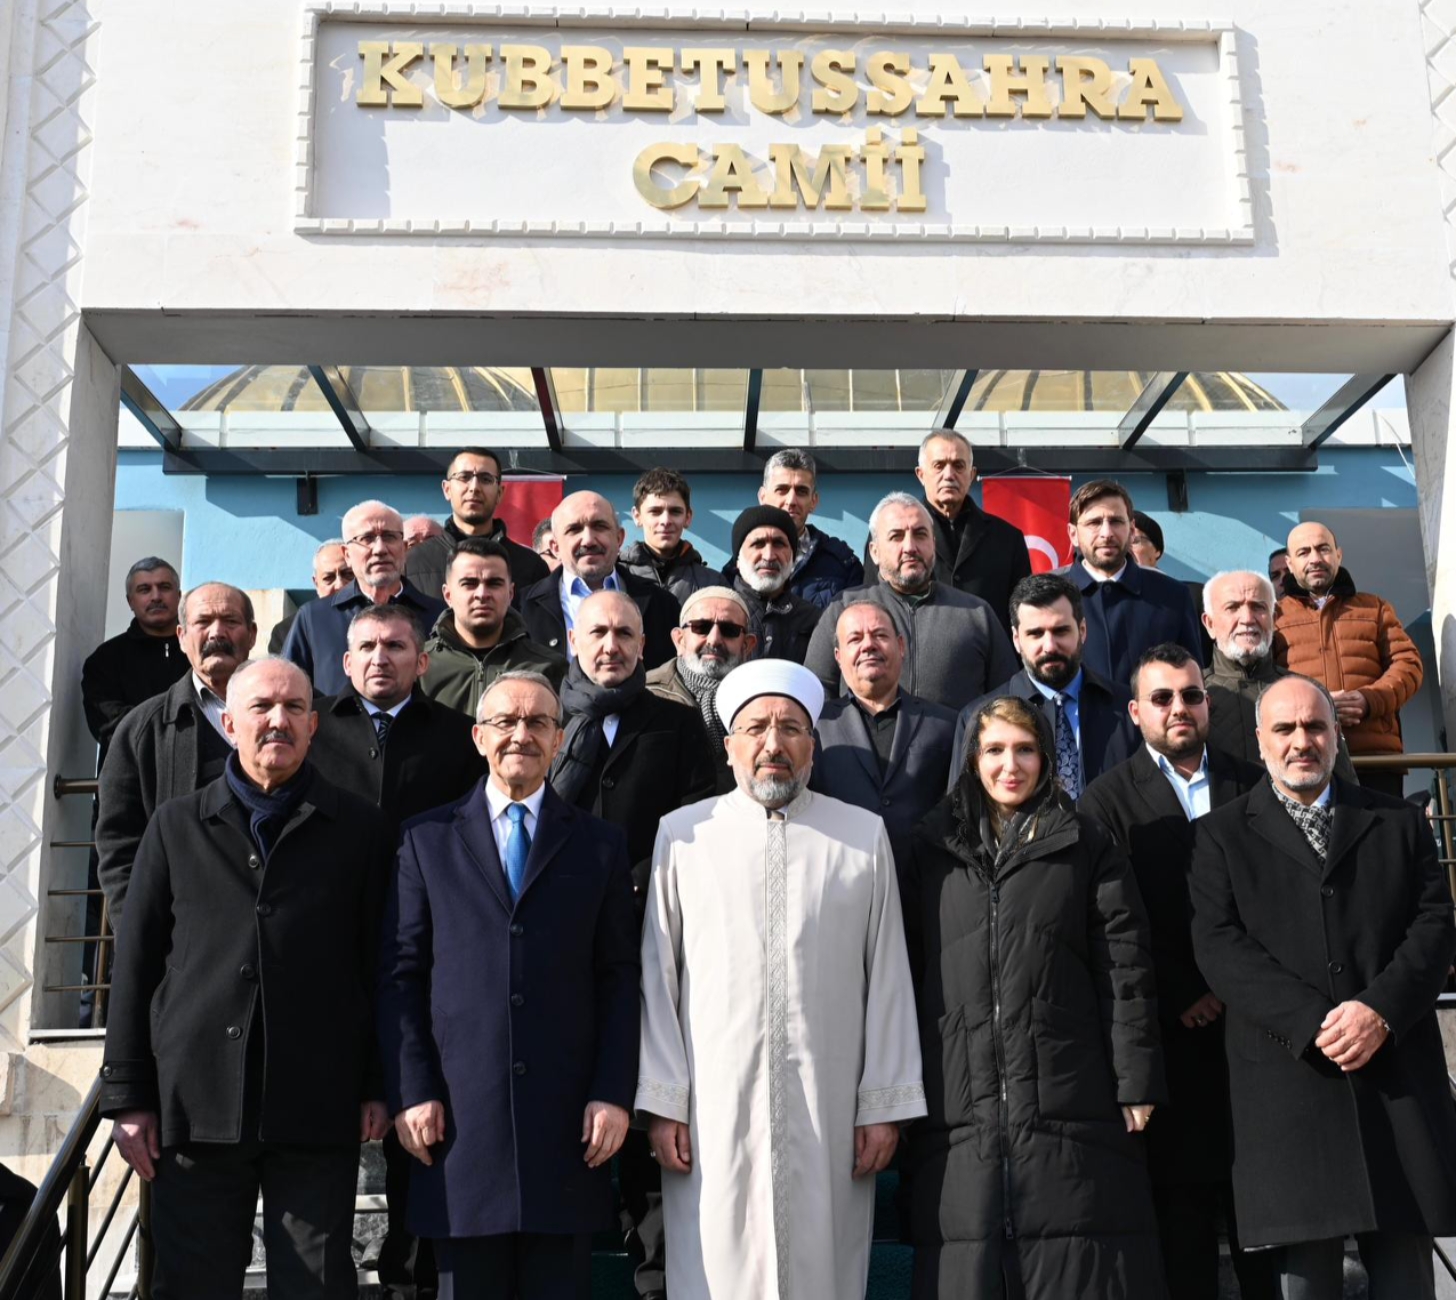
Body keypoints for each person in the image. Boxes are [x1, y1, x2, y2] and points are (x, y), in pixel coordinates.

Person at [100, 657, 392, 1300]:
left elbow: (379, 965)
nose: (277, 721)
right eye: (261, 708)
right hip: (195, 1102)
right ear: (230, 723)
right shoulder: (174, 826)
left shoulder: (361, 830)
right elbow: (138, 964)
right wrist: (128, 1097)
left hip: (317, 1100)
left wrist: (376, 1081)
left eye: (293, 708)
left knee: (317, 1286)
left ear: (315, 726)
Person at [637, 658, 925, 1300]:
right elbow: (658, 975)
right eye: (757, 729)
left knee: (824, 1266)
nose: (774, 744)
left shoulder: (861, 835)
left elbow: (888, 977)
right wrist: (664, 1101)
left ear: (813, 747)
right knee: (716, 1260)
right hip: (713, 1106)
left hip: (829, 1103)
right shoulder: (683, 836)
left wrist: (883, 1105)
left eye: (792, 728)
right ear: (732, 745)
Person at [1190, 675, 1456, 1299]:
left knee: (1406, 1282)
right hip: (1290, 1094)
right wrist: (1315, 1022)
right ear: (1260, 743)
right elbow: (1219, 946)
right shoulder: (1219, 836)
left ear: (1337, 735)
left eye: (1315, 726)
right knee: (1303, 1287)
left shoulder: (1400, 822)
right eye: (1284, 729)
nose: (1301, 741)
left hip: (1395, 1085)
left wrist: (1379, 1012)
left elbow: (1435, 923)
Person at [377, 670, 640, 1299]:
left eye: (538, 724)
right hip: (459, 1129)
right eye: (505, 722)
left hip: (569, 1128)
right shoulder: (424, 841)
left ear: (559, 740)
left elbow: (619, 980)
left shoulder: (601, 847)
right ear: (477, 737)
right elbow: (401, 976)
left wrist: (613, 1092)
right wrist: (412, 1090)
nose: (520, 735)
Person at [901, 694, 1165, 1299]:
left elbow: (1123, 964)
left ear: (1046, 757)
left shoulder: (1086, 841)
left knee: (1077, 1269)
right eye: (994, 750)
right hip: (958, 1099)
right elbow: (905, 972)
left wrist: (1137, 1078)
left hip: (1070, 1092)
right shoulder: (929, 847)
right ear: (972, 759)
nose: (1009, 765)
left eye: (1024, 750)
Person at [1078, 645, 1272, 1300]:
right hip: (1172, 1035)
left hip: (1255, 1033)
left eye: (1190, 694)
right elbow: (1115, 913)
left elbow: (1272, 900)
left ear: (1207, 701)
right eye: (1162, 698)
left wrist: (1231, 983)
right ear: (1135, 712)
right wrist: (1185, 989)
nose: (1179, 708)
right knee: (1184, 1233)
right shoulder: (1104, 802)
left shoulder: (1254, 781)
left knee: (1265, 1230)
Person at [549, 590, 715, 1300]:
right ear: (572, 640)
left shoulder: (677, 725)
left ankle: (655, 1278)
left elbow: (701, 822)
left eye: (624, 633)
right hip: (558, 949)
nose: (610, 645)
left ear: (646, 645)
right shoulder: (543, 716)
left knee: (650, 1105)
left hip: (656, 939)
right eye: (597, 632)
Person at [95, 582, 258, 928]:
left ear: (253, 634)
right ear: (182, 637)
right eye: (203, 622)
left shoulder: (298, 714)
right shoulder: (142, 729)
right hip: (184, 937)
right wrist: (140, 931)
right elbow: (118, 845)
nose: (217, 632)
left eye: (230, 620)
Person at [809, 493, 1016, 713]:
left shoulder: (976, 614)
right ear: (875, 552)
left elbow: (1008, 699)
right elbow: (816, 690)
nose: (910, 547)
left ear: (933, 545)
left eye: (920, 534)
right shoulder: (843, 609)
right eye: (896, 536)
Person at [950, 572, 1137, 795]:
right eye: (1036, 634)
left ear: (1083, 631)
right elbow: (962, 813)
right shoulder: (978, 718)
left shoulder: (1129, 710)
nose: (1049, 646)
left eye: (1060, 631)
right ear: (1016, 640)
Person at [1274, 521, 1423, 798]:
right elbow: (1267, 682)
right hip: (1305, 757)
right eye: (1304, 552)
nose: (1315, 558)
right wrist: (1317, 708)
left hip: (1375, 758)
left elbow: (1409, 665)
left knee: (1380, 840)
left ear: (1338, 555)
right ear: (1290, 563)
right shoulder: (1274, 618)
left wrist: (1369, 700)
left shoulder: (1375, 607)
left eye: (1323, 549)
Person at [809, 600, 957, 872]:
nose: (868, 645)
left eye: (879, 635)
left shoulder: (947, 724)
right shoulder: (815, 726)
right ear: (839, 657)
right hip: (841, 882)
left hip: (926, 887)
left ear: (901, 646)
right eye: (855, 639)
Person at [311, 605, 484, 829]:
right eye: (367, 646)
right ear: (348, 663)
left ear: (421, 663)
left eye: (394, 646)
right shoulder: (309, 726)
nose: (379, 659)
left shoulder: (460, 735)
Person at [865, 429, 1030, 637]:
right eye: (939, 465)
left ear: (971, 475)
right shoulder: (886, 537)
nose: (949, 475)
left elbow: (1024, 614)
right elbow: (872, 605)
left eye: (958, 466)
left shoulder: (1007, 539)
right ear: (921, 474)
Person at [1201, 569, 1356, 780]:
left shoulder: (1310, 692)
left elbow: (1343, 782)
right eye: (1232, 608)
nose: (1247, 618)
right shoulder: (1190, 696)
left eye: (1258, 607)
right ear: (1209, 624)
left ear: (1273, 620)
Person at [284, 500, 446, 697]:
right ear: (347, 554)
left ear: (404, 549)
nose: (380, 549)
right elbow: (287, 691)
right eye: (367, 538)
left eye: (389, 537)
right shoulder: (313, 619)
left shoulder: (439, 617)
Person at [1059, 479, 1203, 687]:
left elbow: (1191, 680)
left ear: (1132, 529)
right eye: (1094, 523)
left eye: (1116, 521)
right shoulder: (1050, 598)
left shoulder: (1173, 596)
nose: (1106, 533)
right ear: (1073, 534)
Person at [518, 491, 680, 669]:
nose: (588, 540)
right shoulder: (521, 609)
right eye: (574, 529)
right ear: (555, 547)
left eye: (599, 526)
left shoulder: (663, 606)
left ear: (619, 538)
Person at [419, 537, 567, 718]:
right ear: (448, 595)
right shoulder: (420, 666)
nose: (482, 594)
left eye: (494, 583)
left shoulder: (546, 667)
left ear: (510, 593)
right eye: (469, 584)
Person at [646, 585, 757, 795]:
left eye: (729, 630)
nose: (714, 639)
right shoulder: (646, 695)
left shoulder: (762, 703)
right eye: (701, 627)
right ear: (679, 639)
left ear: (748, 645)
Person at [404, 447, 550, 598]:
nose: (474, 488)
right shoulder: (414, 562)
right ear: (447, 489)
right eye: (464, 477)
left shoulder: (531, 566)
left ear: (499, 493)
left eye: (485, 479)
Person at [81, 556, 187, 752]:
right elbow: (110, 727)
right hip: (131, 777)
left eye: (164, 587)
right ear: (130, 601)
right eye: (144, 589)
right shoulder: (105, 660)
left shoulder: (200, 653)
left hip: (197, 776)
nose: (156, 596)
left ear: (179, 596)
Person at [755, 449, 862, 608]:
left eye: (801, 491)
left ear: (814, 501)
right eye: (782, 490)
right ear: (762, 497)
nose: (791, 500)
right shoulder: (741, 564)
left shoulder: (844, 565)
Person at [726, 504, 822, 663]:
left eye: (779, 544)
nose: (769, 556)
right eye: (758, 544)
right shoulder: (716, 614)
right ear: (737, 558)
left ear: (793, 557)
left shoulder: (815, 620)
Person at [621, 467, 719, 603]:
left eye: (675, 511)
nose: (666, 521)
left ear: (688, 517)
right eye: (655, 511)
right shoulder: (615, 576)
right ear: (637, 516)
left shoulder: (712, 583)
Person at [267, 540, 352, 655]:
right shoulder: (287, 632)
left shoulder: (378, 617)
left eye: (348, 574)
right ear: (316, 583)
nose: (339, 585)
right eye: (328, 578)